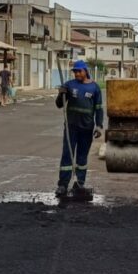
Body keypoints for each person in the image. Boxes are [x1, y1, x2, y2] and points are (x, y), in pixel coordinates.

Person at [55, 60, 103, 199]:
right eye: (75, 71)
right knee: (67, 155)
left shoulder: (95, 88)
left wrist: (99, 126)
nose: (76, 74)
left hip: (87, 128)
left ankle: (79, 184)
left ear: (85, 71)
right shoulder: (69, 85)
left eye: (79, 71)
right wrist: (61, 94)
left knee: (82, 157)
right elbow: (59, 104)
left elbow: (99, 109)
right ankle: (62, 185)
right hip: (71, 127)